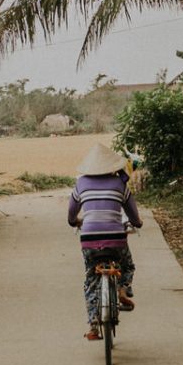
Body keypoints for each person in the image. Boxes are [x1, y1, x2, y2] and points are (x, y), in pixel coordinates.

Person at [67, 142, 143, 341]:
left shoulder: (81, 183)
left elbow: (71, 215)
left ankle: (93, 326)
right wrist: (137, 222)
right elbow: (133, 216)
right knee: (127, 265)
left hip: (89, 240)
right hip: (116, 239)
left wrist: (76, 221)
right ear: (112, 167)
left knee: (91, 278)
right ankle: (122, 289)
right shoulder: (120, 184)